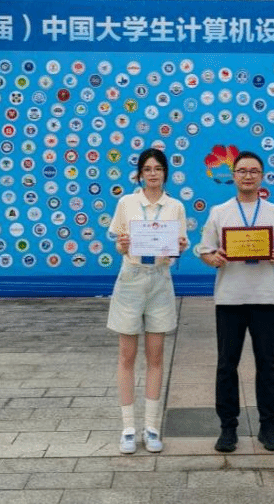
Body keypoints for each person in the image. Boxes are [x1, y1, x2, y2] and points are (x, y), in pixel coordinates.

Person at [198, 151, 274, 452]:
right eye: (242, 171)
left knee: (267, 364)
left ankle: (268, 427)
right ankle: (228, 428)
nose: (248, 176)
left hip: (265, 298)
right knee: (227, 365)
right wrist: (213, 258)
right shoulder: (219, 212)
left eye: (254, 171)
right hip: (229, 298)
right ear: (234, 176)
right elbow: (205, 250)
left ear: (262, 176)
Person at [107, 148, 188, 454]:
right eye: (147, 169)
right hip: (131, 279)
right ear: (140, 174)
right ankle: (128, 428)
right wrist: (122, 244)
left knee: (155, 357)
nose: (153, 174)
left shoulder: (175, 207)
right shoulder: (126, 203)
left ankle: (151, 427)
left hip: (160, 280)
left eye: (158, 168)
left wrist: (179, 246)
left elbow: (178, 246)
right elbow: (119, 244)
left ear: (166, 173)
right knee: (126, 355)